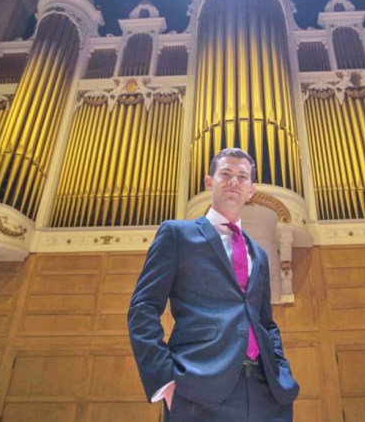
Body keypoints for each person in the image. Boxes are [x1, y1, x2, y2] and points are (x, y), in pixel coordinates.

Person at [128, 148, 299, 421]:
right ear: (210, 182)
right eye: (226, 174)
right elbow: (142, 308)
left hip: (267, 391)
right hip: (198, 388)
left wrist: (280, 366)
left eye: (242, 177)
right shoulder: (176, 235)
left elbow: (265, 322)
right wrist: (165, 382)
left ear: (252, 190)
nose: (234, 181)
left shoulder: (260, 254)